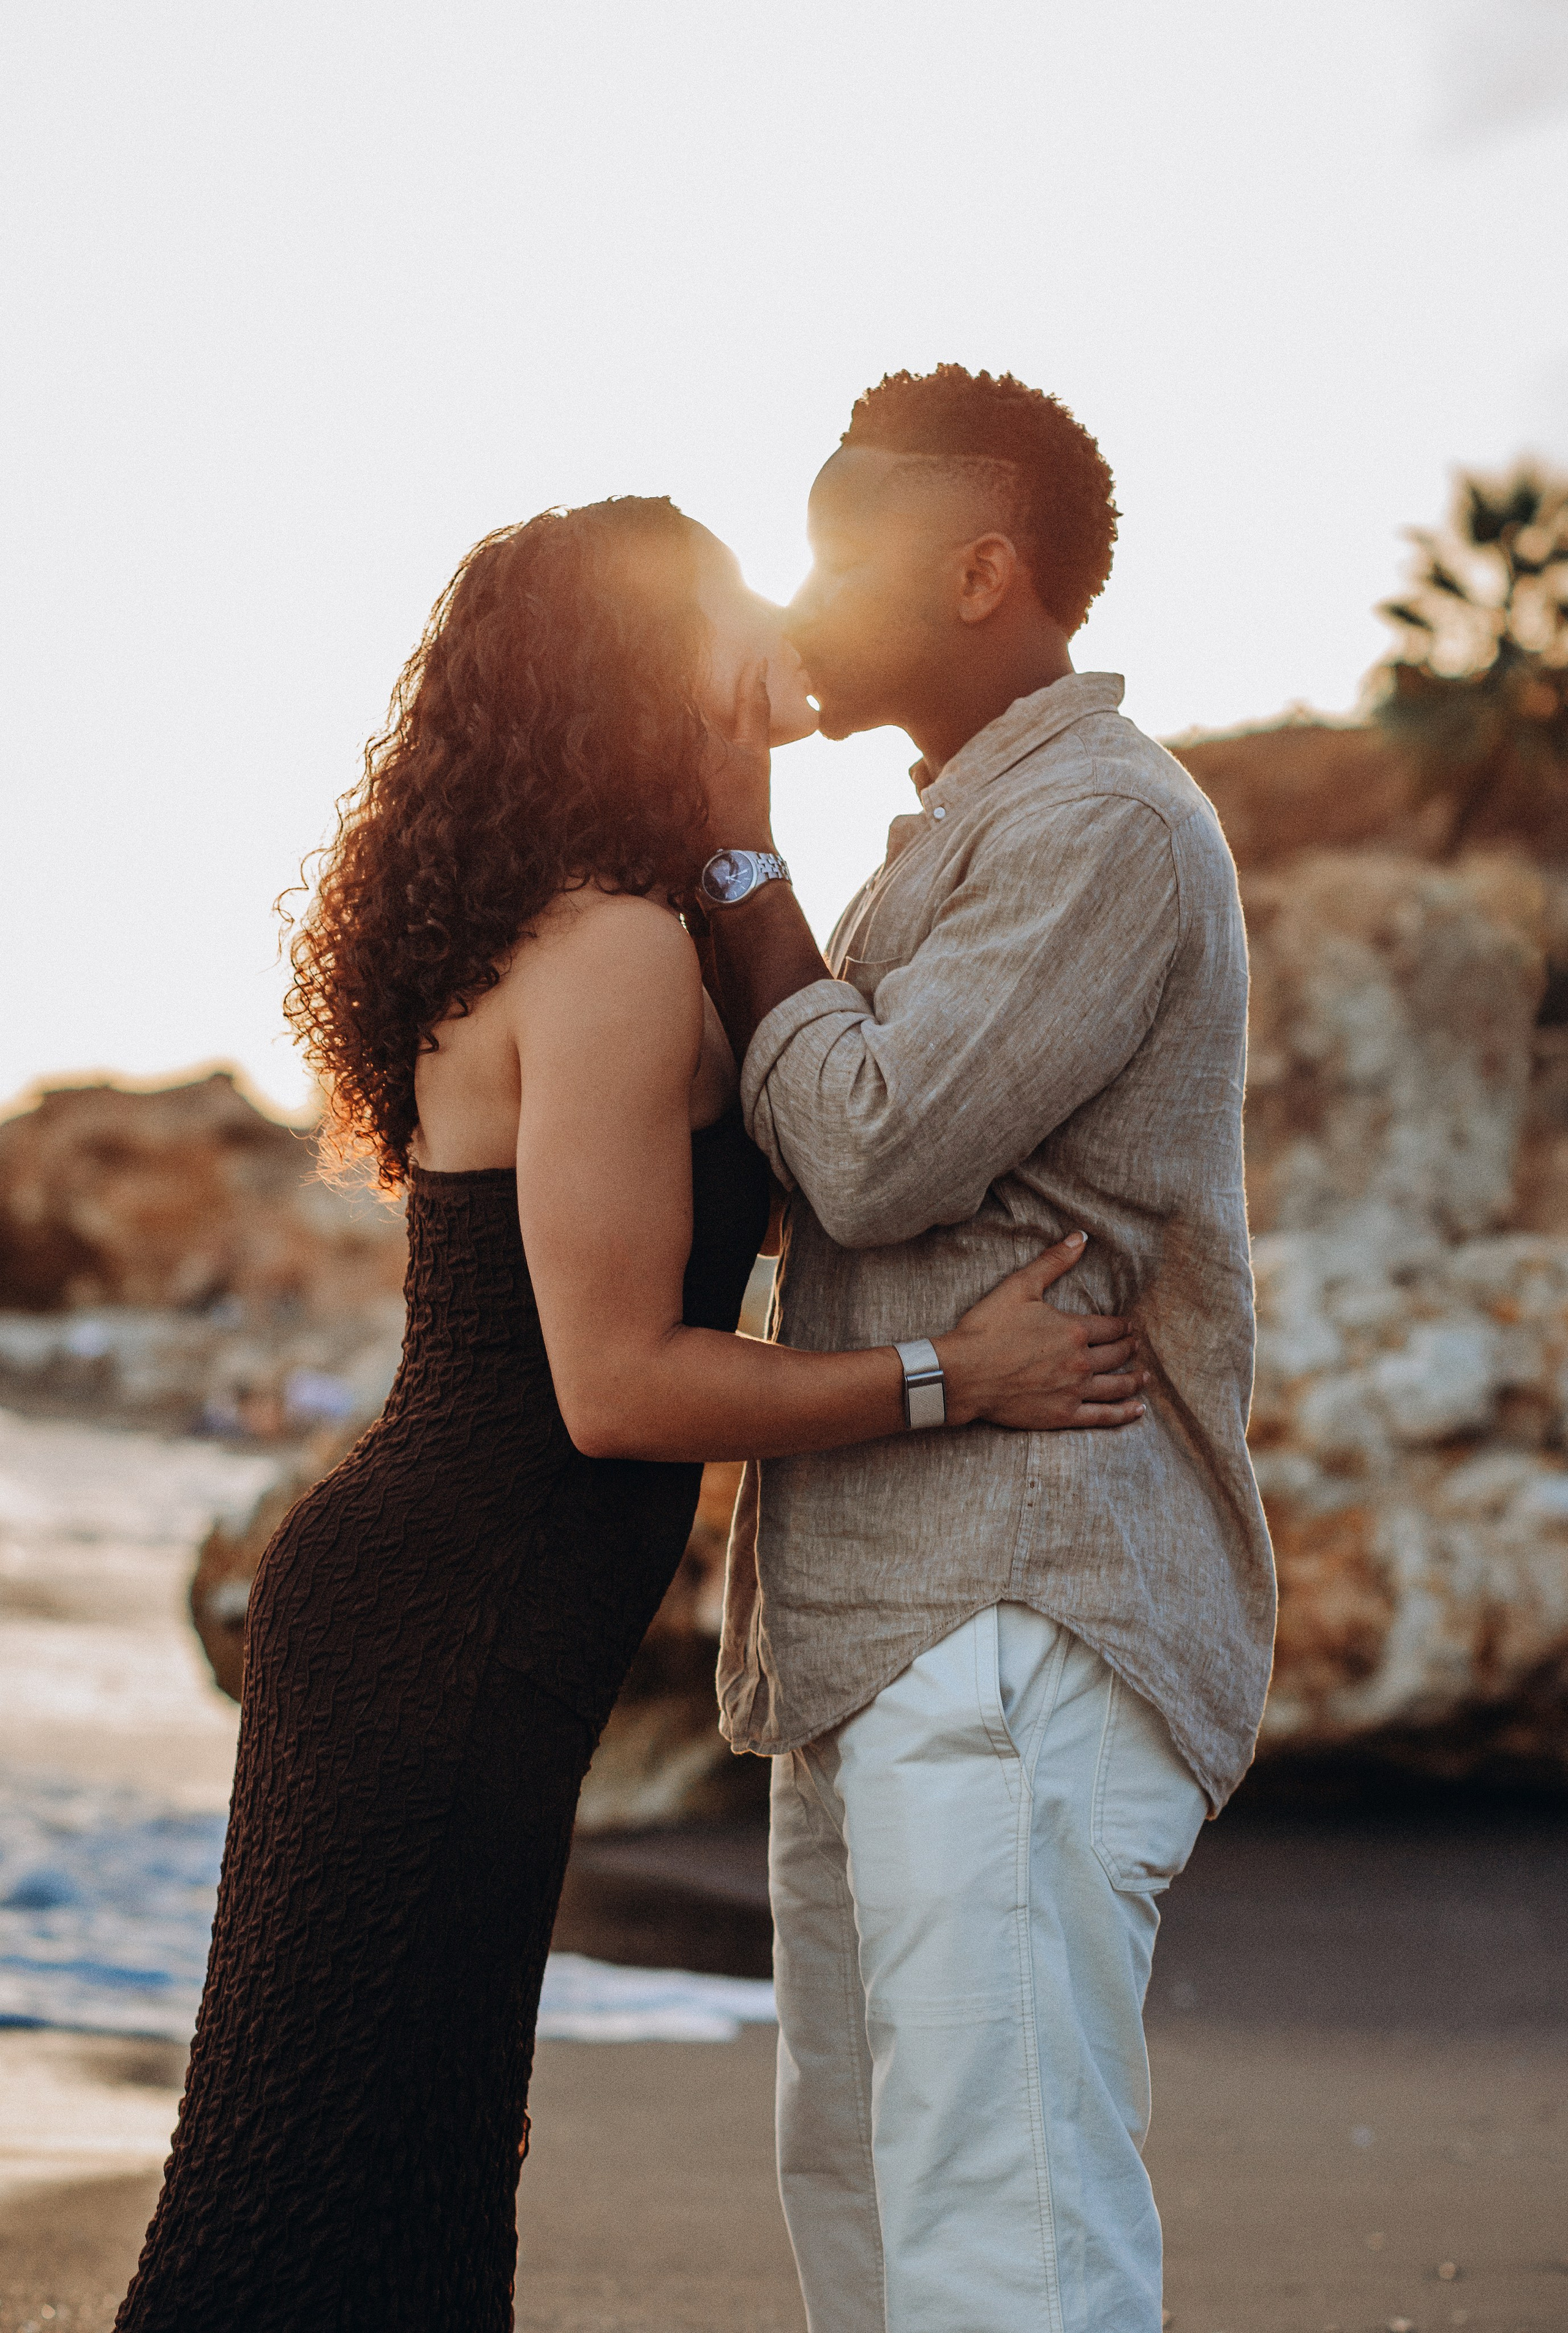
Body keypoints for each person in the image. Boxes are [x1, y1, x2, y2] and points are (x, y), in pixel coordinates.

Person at [113, 493, 1147, 2333]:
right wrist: (948, 1378)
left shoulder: (586, 921)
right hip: (447, 1619)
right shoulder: (607, 952)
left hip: (438, 1615)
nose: (772, 644)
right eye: (727, 619)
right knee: (347, 2173)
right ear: (641, 674)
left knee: (371, 2167)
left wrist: (752, 822)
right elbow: (612, 1389)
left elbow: (843, 1105)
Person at [696, 367, 1276, 2333]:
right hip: (890, 1624)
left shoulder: (1103, 826)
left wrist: (727, 857)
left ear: (977, 570)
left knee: (1001, 2242)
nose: (797, 589)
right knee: (872, 2222)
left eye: (835, 544)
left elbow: (867, 1149)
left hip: (1014, 1618)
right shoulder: (961, 832)